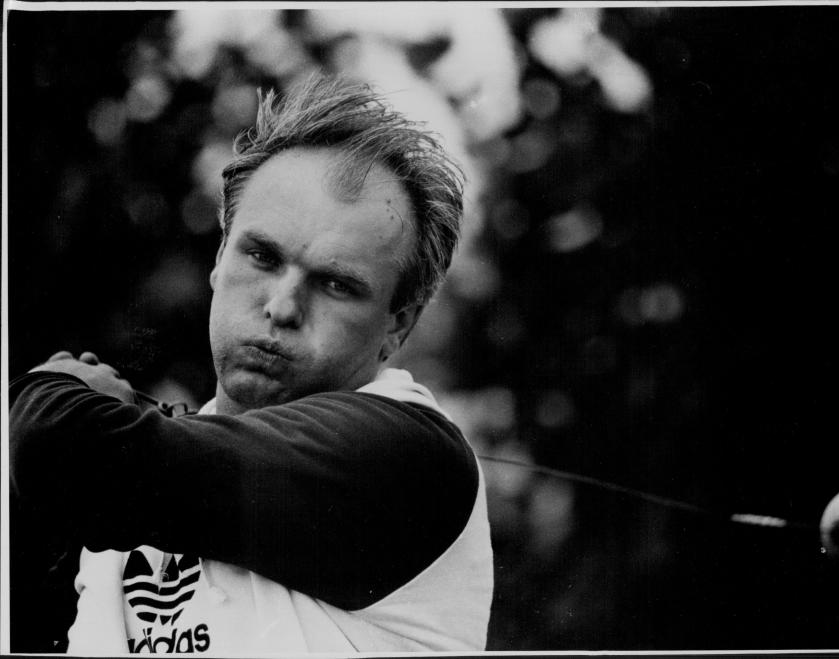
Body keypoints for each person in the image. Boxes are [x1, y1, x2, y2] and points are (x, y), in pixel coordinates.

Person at [9, 74, 493, 654]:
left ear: (398, 325)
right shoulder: (146, 456)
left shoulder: (411, 457)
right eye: (262, 256)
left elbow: (56, 441)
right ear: (219, 256)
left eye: (337, 284)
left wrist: (58, 386)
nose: (283, 306)